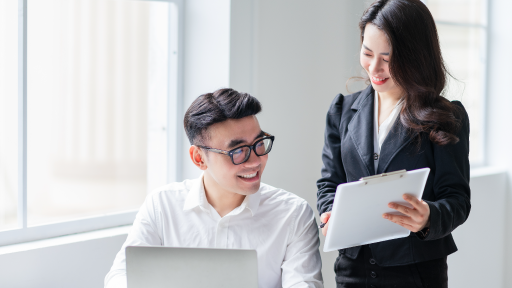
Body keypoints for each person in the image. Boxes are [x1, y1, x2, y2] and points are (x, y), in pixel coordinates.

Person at [316, 0, 470, 287]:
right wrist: (330, 213)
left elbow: (458, 200)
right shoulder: (341, 110)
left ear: (415, 56)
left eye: (387, 58)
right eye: (367, 52)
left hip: (417, 273)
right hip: (353, 271)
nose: (374, 67)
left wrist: (428, 217)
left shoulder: (447, 117)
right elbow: (329, 182)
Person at [105, 88, 323, 288]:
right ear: (199, 158)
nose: (255, 161)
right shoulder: (162, 205)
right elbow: (120, 276)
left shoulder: (293, 215)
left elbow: (303, 284)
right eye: (238, 151)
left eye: (259, 144)